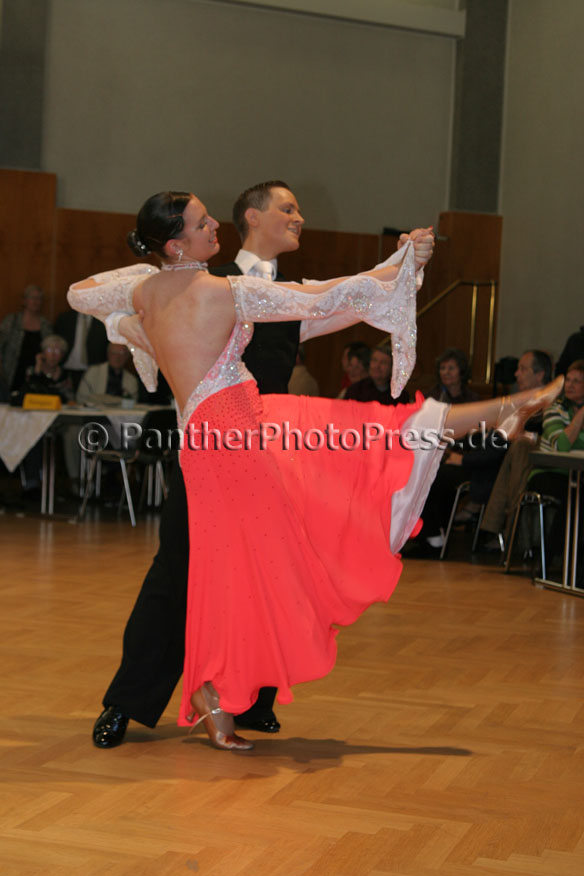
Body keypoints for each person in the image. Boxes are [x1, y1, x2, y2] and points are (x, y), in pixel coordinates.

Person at [68, 190, 562, 752]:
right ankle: (144, 699)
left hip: (225, 444)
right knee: (364, 445)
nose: (214, 228)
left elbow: (81, 292)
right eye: (202, 223)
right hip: (245, 439)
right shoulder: (225, 288)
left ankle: (224, 694)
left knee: (243, 572)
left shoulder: (152, 290)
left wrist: (134, 313)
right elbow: (332, 296)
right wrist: (395, 268)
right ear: (185, 239)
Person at [479, 350, 553, 549]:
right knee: (508, 452)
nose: (516, 374)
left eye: (523, 369)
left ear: (540, 375)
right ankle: (508, 532)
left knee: (517, 451)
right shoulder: (517, 400)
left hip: (538, 463)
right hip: (506, 457)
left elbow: (545, 434)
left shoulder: (551, 402)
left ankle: (507, 531)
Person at [527, 360, 584, 558]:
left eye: (577, 381)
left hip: (577, 475)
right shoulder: (554, 409)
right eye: (568, 380)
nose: (569, 385)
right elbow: (561, 446)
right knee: (577, 495)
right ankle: (559, 556)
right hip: (547, 473)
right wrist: (580, 416)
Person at [0, 285, 52, 391]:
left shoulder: (45, 324)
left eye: (39, 299)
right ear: (24, 301)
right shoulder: (11, 321)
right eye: (33, 298)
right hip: (11, 371)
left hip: (36, 372)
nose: (36, 302)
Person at [54, 309, 108, 391]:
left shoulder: (102, 320)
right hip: (66, 370)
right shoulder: (65, 318)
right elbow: (56, 341)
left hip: (91, 372)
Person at [345, 343, 409, 405]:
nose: (377, 366)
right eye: (374, 361)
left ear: (392, 367)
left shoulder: (400, 395)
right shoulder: (355, 390)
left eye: (383, 362)